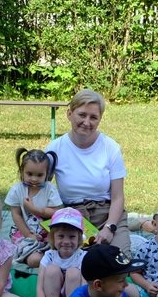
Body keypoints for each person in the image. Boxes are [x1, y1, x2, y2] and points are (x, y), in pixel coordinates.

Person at [46, 89, 131, 253]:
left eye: (93, 117)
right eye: (82, 115)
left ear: (100, 119)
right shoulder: (55, 149)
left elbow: (118, 197)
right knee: (73, 262)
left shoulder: (110, 147)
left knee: (119, 260)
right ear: (69, 114)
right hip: (71, 218)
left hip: (108, 214)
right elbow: (40, 189)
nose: (87, 122)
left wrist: (109, 228)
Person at [6, 147, 62, 269]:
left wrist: (34, 209)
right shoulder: (17, 190)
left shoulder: (50, 189)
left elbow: (55, 212)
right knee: (34, 260)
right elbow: (16, 214)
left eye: (40, 175)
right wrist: (28, 234)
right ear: (22, 171)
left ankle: (53, 257)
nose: (34, 179)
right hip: (24, 231)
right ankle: (40, 258)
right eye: (29, 174)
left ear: (47, 173)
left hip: (48, 232)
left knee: (66, 245)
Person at [35, 207, 88, 297]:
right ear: (53, 237)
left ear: (79, 238)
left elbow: (85, 289)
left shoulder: (83, 257)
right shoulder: (49, 256)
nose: (66, 241)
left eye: (72, 236)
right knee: (51, 270)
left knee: (73, 272)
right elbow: (39, 288)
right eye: (61, 236)